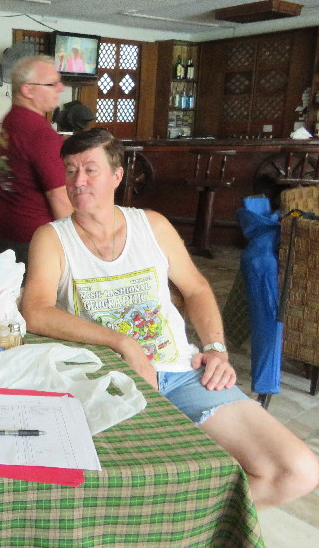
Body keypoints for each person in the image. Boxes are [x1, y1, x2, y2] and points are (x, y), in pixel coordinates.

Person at [22, 128, 319, 509]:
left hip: (181, 373)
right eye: (70, 170)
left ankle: (179, 525)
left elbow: (195, 289)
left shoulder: (152, 226)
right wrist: (123, 343)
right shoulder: (53, 238)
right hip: (106, 376)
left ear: (117, 176)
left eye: (90, 170)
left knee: (297, 470)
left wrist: (216, 349)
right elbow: (36, 311)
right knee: (105, 486)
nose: (78, 181)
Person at [0, 54, 73, 267]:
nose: (61, 88)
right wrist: (76, 241)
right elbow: (58, 195)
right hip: (32, 236)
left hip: (1, 225)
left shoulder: (11, 119)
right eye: (52, 84)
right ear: (28, 90)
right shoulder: (40, 133)